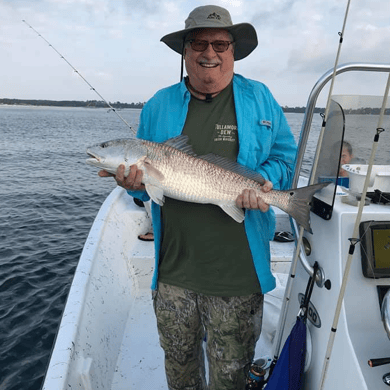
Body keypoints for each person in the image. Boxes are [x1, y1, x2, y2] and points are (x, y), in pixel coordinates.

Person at [99, 5, 297, 389]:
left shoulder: (261, 98)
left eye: (221, 43)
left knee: (231, 379)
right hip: (174, 272)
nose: (210, 52)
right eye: (199, 43)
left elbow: (285, 157)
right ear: (185, 51)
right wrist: (133, 184)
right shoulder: (158, 104)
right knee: (181, 375)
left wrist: (267, 183)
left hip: (238, 274)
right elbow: (147, 186)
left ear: (233, 51)